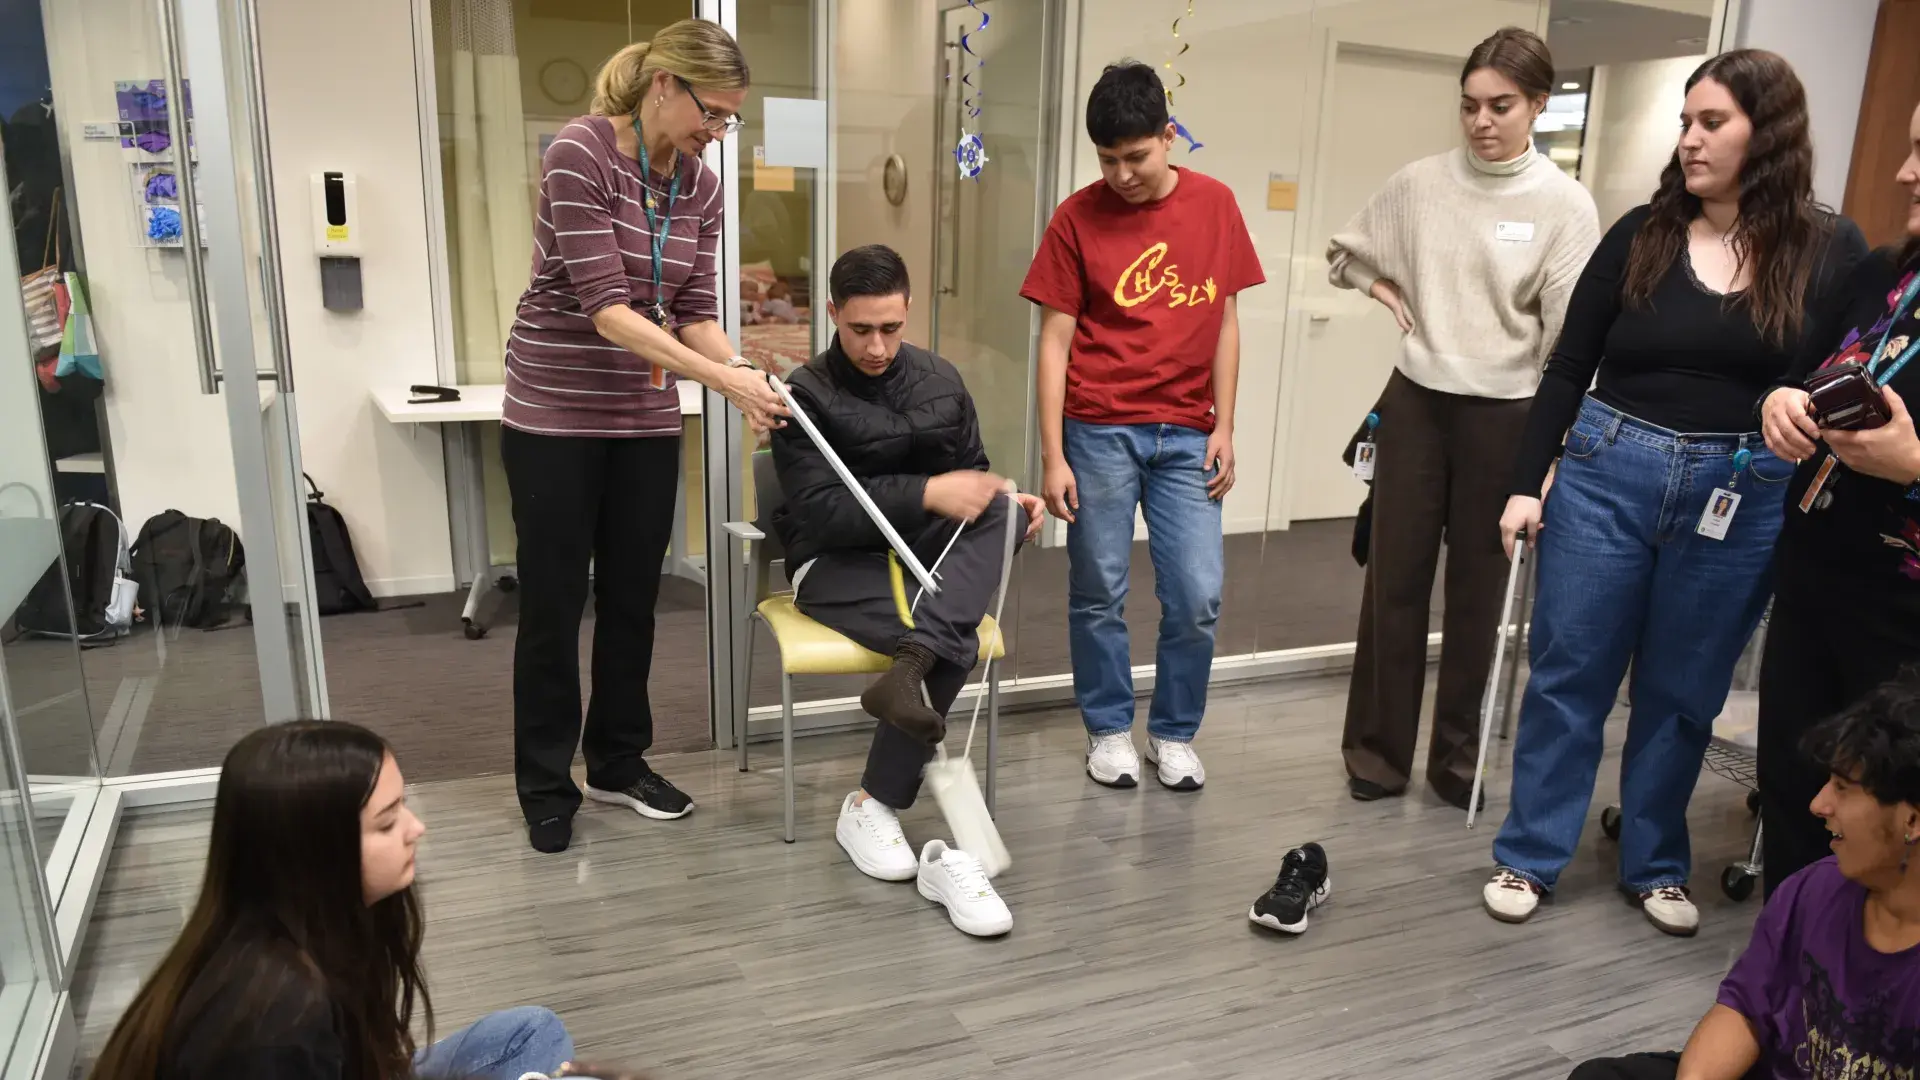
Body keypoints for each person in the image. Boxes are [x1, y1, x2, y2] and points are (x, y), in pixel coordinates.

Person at [1485, 50, 1867, 936]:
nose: (1689, 140)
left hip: (1741, 490)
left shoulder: (1829, 248)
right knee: (1570, 674)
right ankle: (1531, 853)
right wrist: (1524, 484)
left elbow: (1837, 371)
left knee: (1683, 689)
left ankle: (1654, 863)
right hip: (1607, 471)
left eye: (1711, 124)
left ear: (1764, 133)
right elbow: (1569, 365)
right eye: (1685, 123)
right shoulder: (1640, 233)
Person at [502, 18, 788, 854]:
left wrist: (742, 371)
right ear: (664, 84)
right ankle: (545, 783)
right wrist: (724, 381)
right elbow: (606, 310)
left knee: (634, 596)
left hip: (644, 414)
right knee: (554, 603)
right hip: (554, 408)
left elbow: (694, 311)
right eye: (715, 113)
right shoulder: (580, 153)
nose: (719, 132)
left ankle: (619, 762)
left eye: (731, 120)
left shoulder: (699, 186)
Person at [1328, 27, 1599, 810]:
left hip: (1508, 416)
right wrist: (1386, 291)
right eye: (1469, 105)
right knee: (1394, 583)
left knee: (1481, 599)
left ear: (1539, 106)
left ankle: (1457, 766)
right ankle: (1377, 758)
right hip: (1415, 402)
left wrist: (1547, 456)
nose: (1481, 121)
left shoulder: (1564, 206)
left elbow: (1567, 345)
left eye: (1501, 106)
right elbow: (1345, 254)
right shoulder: (1419, 184)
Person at [771, 245, 1042, 938]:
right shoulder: (802, 394)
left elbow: (974, 479)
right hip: (835, 563)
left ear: (908, 309)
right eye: (860, 329)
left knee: (1006, 507)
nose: (877, 346)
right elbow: (819, 512)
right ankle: (872, 801)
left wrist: (999, 499)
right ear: (832, 314)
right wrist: (929, 490)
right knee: (948, 637)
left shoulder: (941, 380)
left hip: (924, 556)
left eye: (890, 328)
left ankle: (903, 692)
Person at [1019, 60, 1264, 791]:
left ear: (1168, 136)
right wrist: (1053, 455)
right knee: (1098, 588)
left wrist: (1225, 427)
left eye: (1136, 156)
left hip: (1189, 432)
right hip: (1098, 430)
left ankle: (1173, 732)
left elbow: (1226, 321)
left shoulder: (1216, 206)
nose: (1121, 174)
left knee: (1197, 595)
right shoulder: (1075, 218)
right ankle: (1106, 729)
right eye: (1107, 159)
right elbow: (1054, 341)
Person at [86, 721, 575, 1080]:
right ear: (314, 852)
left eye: (403, 805)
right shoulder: (276, 1020)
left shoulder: (305, 931)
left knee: (531, 1032)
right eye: (386, 822)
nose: (415, 829)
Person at [1565, 679, 1920, 1079]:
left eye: (1842, 788)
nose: (1819, 804)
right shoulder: (1814, 890)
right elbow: (1746, 1009)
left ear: (1912, 818)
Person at [1756, 98, 1920, 895]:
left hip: (1903, 621)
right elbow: (1810, 371)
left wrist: (1916, 464)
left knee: (1879, 821)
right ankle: (1791, 964)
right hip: (1816, 578)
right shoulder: (1883, 273)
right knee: (1798, 793)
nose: (1904, 172)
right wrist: (1781, 402)